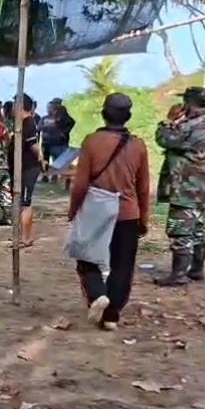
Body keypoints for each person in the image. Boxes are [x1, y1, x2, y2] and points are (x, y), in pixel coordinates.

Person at [69, 93, 151, 331]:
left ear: (104, 113)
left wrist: (74, 210)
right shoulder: (138, 145)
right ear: (128, 116)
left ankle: (97, 294)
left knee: (86, 257)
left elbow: (81, 184)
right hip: (127, 213)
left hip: (96, 210)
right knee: (122, 265)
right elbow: (143, 188)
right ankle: (112, 314)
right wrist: (144, 218)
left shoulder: (91, 141)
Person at [154, 87, 205, 286]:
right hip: (204, 188)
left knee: (180, 230)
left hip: (185, 188)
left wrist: (169, 122)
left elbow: (163, 139)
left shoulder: (188, 127)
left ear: (188, 103)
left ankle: (178, 275)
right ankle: (196, 269)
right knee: (198, 228)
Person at [8, 94, 43, 246]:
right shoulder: (20, 123)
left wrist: (41, 159)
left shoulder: (29, 123)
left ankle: (26, 238)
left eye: (15, 104)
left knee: (25, 203)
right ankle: (19, 235)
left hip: (28, 168)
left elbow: (34, 146)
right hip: (19, 169)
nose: (13, 107)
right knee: (19, 202)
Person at [40, 98, 76, 182]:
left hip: (59, 142)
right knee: (50, 160)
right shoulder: (50, 115)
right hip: (50, 141)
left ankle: (59, 177)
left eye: (55, 104)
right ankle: (49, 176)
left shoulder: (61, 112)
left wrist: (63, 132)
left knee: (60, 161)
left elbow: (71, 122)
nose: (53, 106)